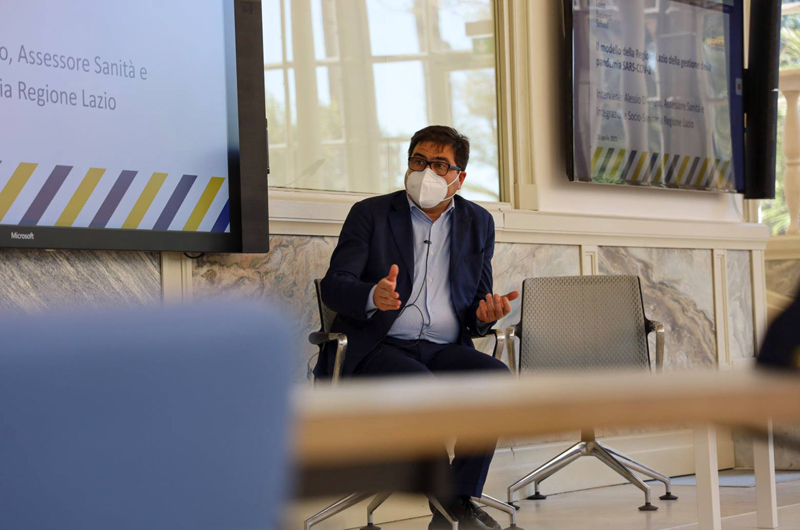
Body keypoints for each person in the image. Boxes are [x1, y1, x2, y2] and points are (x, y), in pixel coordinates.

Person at [315, 125, 519, 530]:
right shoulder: (370, 214)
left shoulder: (478, 222)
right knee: (421, 388)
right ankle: (453, 506)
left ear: (460, 177)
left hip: (443, 348)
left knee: (495, 379)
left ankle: (453, 501)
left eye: (440, 164)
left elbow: (476, 304)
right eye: (419, 161)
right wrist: (372, 295)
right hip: (378, 348)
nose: (426, 172)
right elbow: (335, 286)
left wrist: (485, 316)